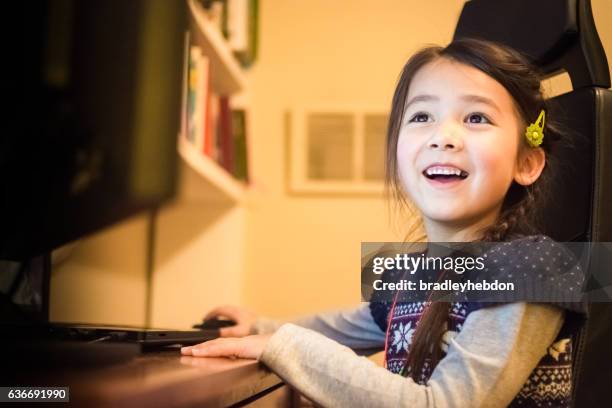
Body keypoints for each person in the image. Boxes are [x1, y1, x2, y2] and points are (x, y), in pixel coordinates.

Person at [181, 38, 587, 407]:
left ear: (527, 162)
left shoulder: (535, 268)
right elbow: (343, 326)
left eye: (476, 118)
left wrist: (284, 345)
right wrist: (259, 326)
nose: (443, 136)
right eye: (422, 116)